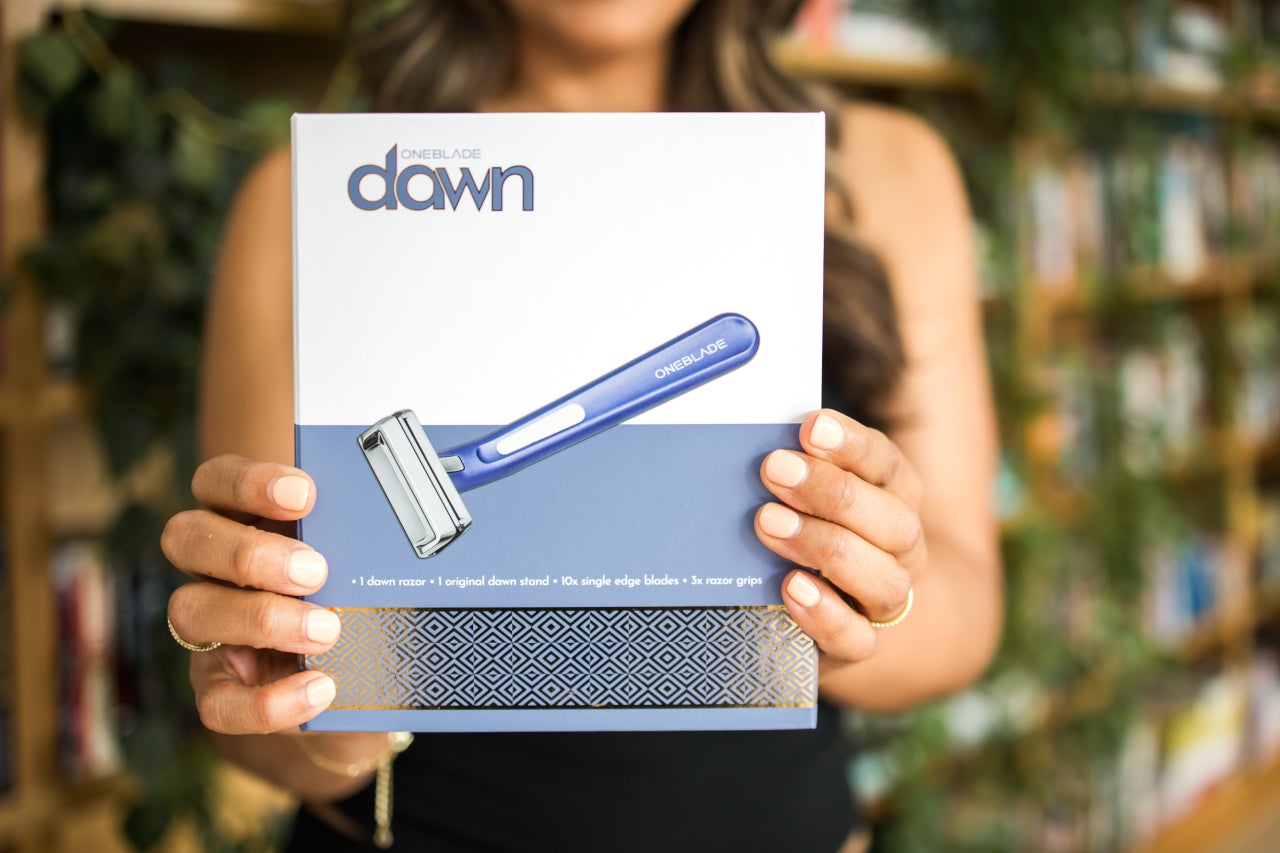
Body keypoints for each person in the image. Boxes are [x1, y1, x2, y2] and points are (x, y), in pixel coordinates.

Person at [159, 1, 1002, 850]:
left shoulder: (881, 172)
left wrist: (857, 602)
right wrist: (315, 705)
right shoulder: (320, 197)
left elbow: (967, 610)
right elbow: (262, 719)